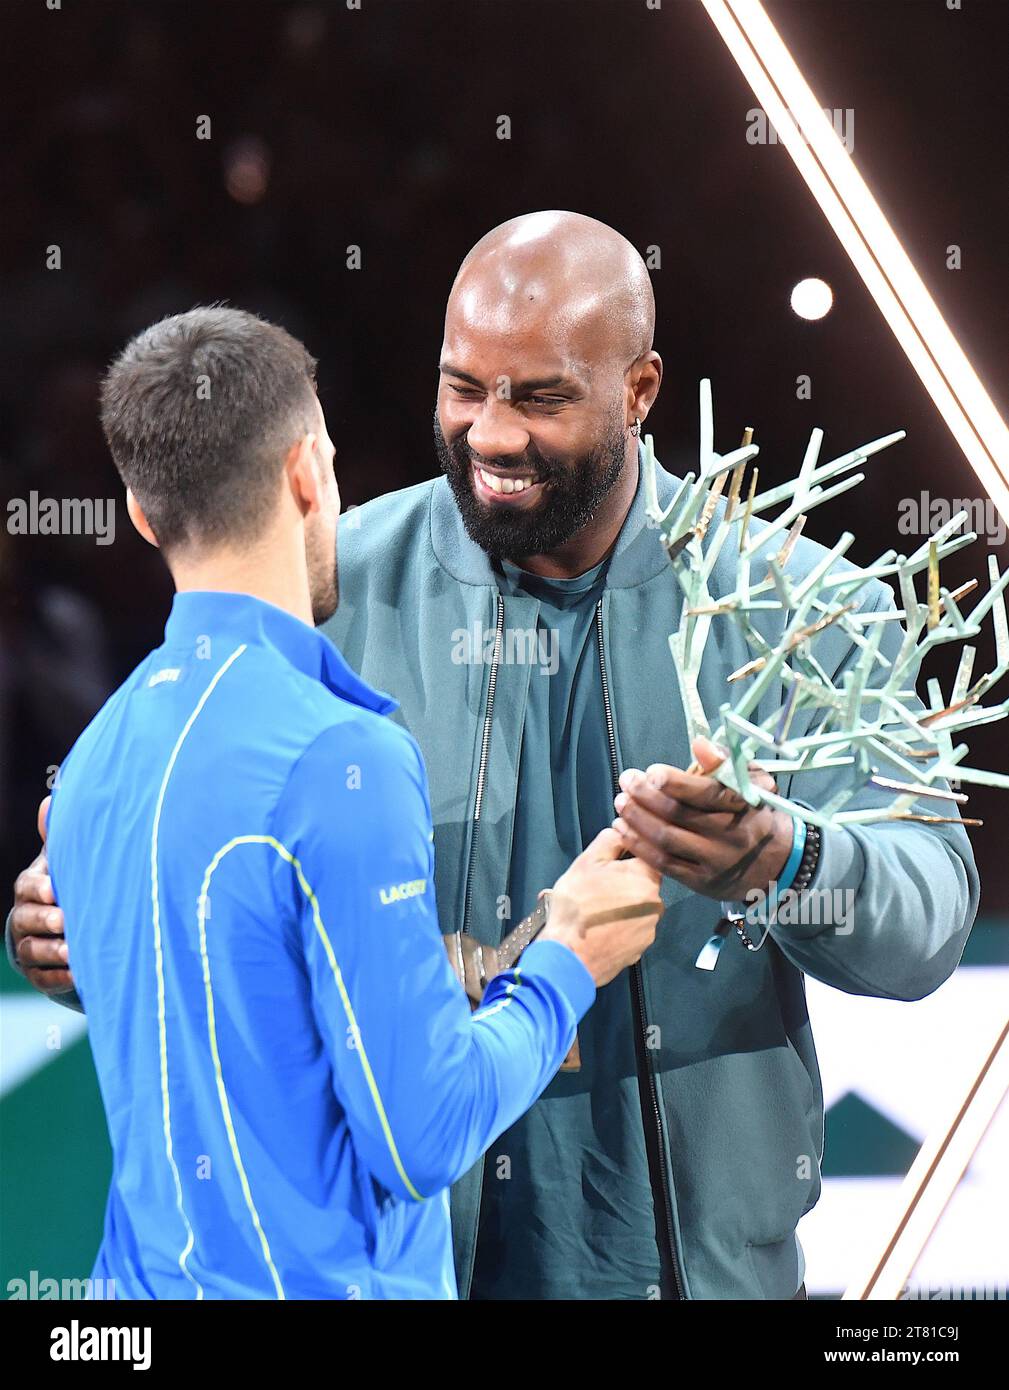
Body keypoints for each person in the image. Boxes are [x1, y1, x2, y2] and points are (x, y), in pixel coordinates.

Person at [10, 212, 981, 1301]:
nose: (490, 433)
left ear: (640, 392)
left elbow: (930, 918)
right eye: (462, 386)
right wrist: (85, 916)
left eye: (542, 397)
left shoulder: (800, 609)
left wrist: (782, 860)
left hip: (699, 1274)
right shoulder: (326, 585)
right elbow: (195, 857)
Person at [21, 305, 663, 1300]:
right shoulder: (339, 755)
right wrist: (565, 960)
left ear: (145, 515)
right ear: (304, 471)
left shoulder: (94, 758)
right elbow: (423, 1134)